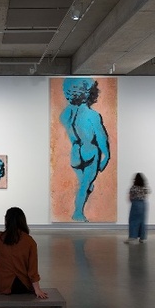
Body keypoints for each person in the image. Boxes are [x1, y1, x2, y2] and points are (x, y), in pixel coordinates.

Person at [59, 77, 110, 222]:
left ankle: (86, 192)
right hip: (90, 152)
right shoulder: (92, 115)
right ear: (88, 92)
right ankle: (78, 213)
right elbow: (101, 138)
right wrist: (106, 156)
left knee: (87, 185)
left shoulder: (65, 114)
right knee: (84, 186)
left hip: (75, 153)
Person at [0, 207, 48, 308]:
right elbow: (32, 269)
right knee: (18, 283)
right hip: (20, 285)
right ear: (23, 221)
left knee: (11, 283)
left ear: (7, 220)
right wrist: (37, 289)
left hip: (0, 282)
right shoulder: (29, 241)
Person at [125, 173, 150, 244]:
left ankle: (133, 237)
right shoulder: (144, 187)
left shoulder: (133, 187)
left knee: (133, 221)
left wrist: (133, 201)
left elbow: (130, 197)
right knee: (142, 222)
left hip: (135, 204)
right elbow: (147, 194)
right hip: (143, 204)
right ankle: (143, 238)